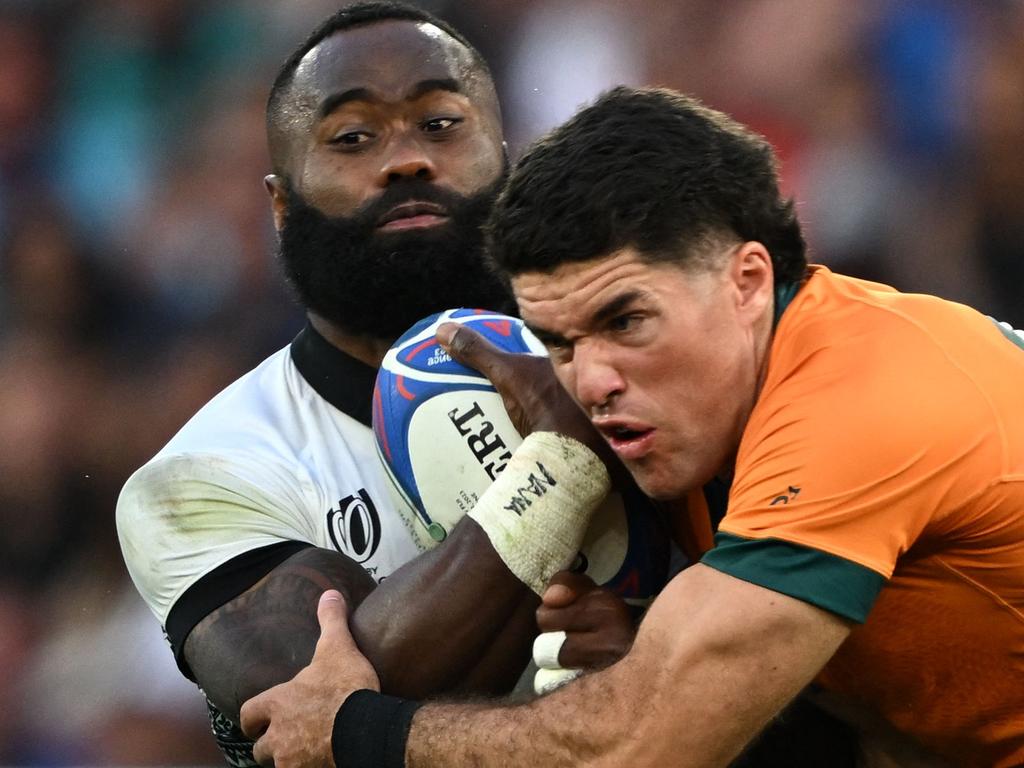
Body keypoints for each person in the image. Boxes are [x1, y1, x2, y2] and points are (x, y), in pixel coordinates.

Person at [240, 86, 1024, 768]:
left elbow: (644, 747)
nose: (594, 382)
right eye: (560, 343)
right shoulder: (707, 410)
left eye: (626, 319)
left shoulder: (859, 403)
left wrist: (355, 734)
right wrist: (652, 646)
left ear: (747, 280)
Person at [116, 4, 648, 766]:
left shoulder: (633, 356)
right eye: (352, 138)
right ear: (279, 203)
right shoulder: (200, 477)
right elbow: (333, 722)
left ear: (506, 158)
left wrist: (652, 645)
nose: (405, 161)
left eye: (440, 124)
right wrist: (561, 463)